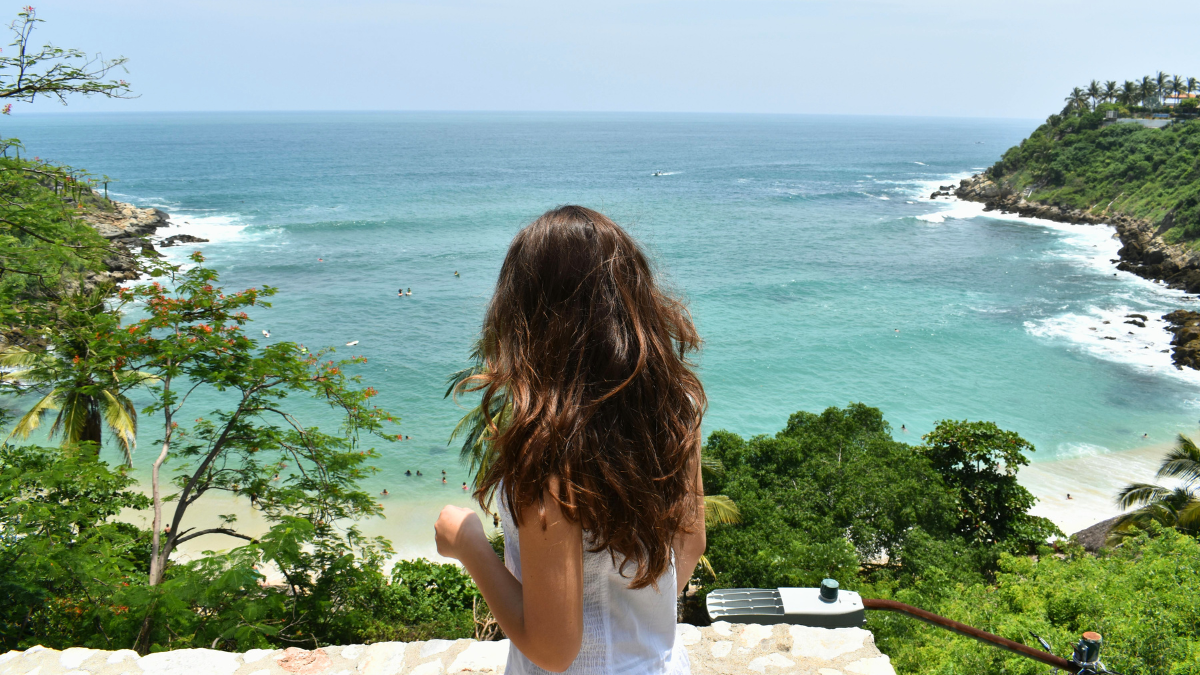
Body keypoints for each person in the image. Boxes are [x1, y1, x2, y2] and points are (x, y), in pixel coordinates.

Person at [435, 206, 705, 675]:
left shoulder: (548, 447)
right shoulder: (672, 406)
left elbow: (554, 650)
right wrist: (627, 618)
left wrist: (468, 544)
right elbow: (689, 546)